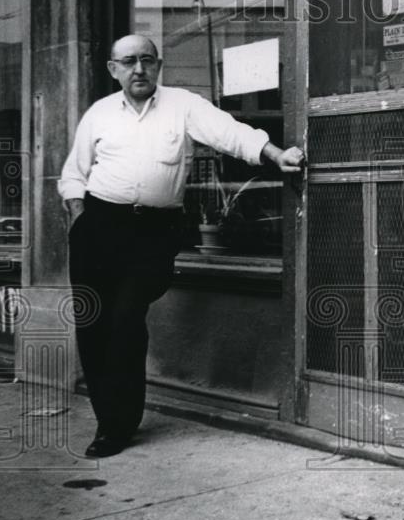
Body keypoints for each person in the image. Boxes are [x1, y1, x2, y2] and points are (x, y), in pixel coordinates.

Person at [58, 34, 304, 458]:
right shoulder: (99, 114)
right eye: (129, 62)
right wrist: (81, 217)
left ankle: (122, 418)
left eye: (147, 61)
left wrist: (275, 154)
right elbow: (73, 174)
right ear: (113, 68)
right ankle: (110, 424)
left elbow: (230, 133)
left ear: (159, 65)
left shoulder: (183, 105)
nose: (139, 69)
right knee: (95, 324)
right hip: (99, 225)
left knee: (125, 318)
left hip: (153, 232)